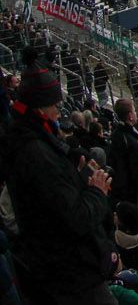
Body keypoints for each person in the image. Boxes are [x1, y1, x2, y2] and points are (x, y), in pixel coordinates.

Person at [3, 50, 115, 304]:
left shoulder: (28, 142)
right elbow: (74, 218)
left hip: (60, 272)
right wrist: (96, 191)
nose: (58, 112)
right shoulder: (36, 154)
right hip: (71, 279)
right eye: (55, 106)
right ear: (41, 109)